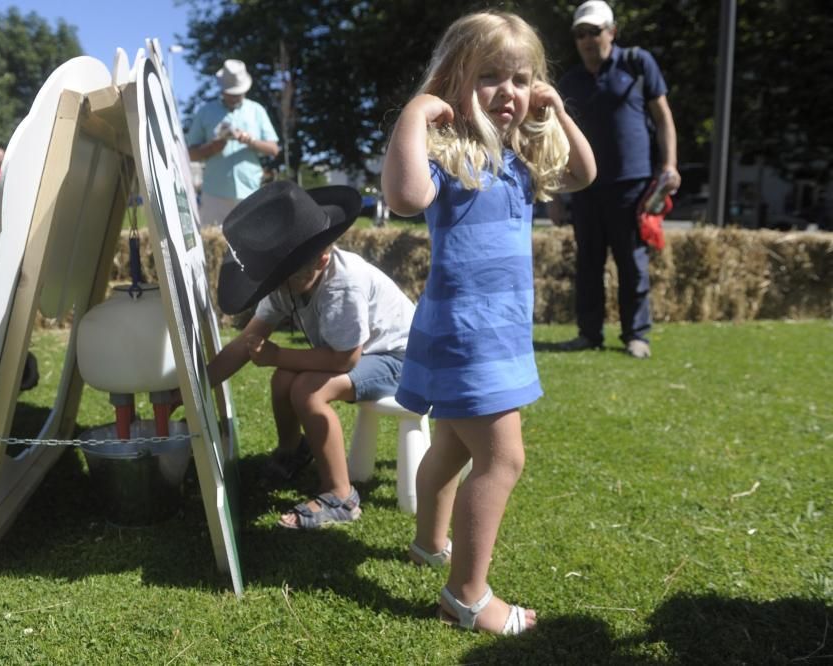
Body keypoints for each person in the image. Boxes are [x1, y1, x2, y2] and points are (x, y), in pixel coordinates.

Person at [382, 12, 596, 634]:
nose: (508, 91)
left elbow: (583, 174)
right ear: (455, 81)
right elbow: (403, 198)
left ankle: (428, 544)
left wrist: (555, 109)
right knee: (502, 459)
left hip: (494, 331)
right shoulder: (449, 152)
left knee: (450, 445)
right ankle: (467, 594)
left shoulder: (523, 154)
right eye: (490, 77)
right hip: (466, 331)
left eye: (521, 78)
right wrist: (415, 115)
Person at [208, 180, 415, 529]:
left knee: (308, 390)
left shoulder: (342, 286)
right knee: (284, 379)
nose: (277, 286)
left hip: (401, 358)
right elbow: (246, 342)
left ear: (322, 259)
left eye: (285, 276)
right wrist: (196, 386)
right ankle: (293, 451)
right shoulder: (287, 280)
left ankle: (340, 495)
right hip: (358, 353)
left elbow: (343, 360)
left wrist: (276, 354)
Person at [552, 0, 681, 359]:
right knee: (588, 264)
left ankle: (636, 335)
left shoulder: (637, 64)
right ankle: (588, 334)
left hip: (632, 185)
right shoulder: (569, 82)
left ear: (612, 31)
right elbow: (556, 142)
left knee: (632, 262)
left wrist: (669, 164)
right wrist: (555, 195)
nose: (588, 40)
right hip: (584, 187)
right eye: (581, 34)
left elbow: (664, 117)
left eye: (594, 31)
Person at [185, 59, 280, 227]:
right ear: (223, 90)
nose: (234, 96)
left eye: (238, 92)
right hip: (215, 194)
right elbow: (189, 154)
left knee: (252, 246)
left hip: (250, 190)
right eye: (231, 93)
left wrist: (250, 141)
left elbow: (273, 149)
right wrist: (211, 148)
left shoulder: (256, 110)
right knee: (213, 247)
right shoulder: (206, 112)